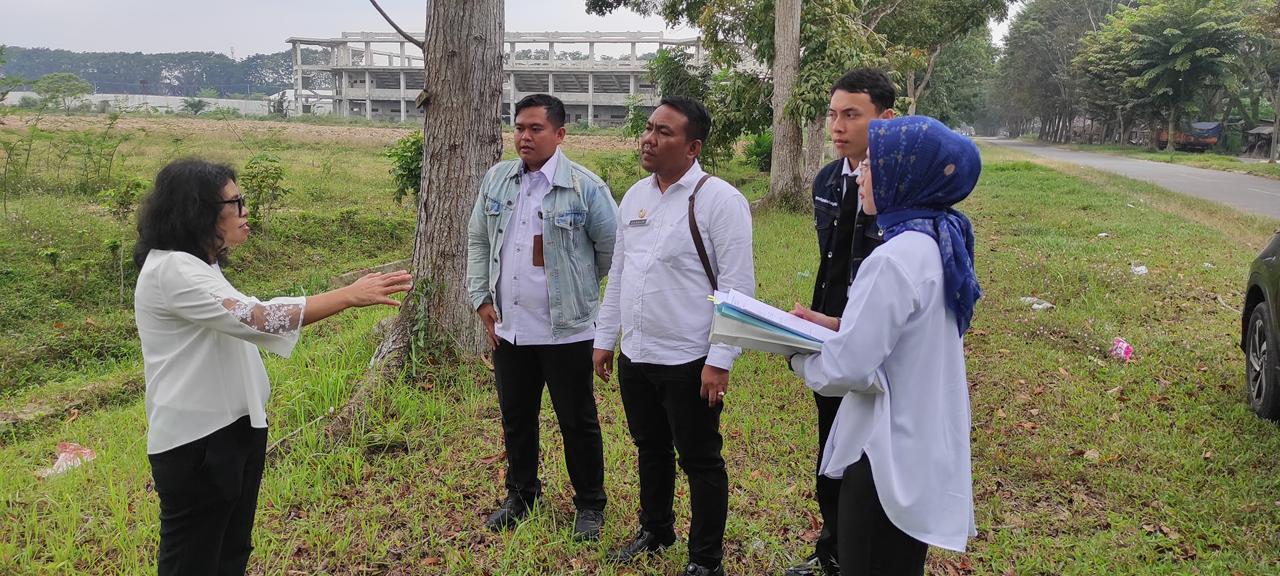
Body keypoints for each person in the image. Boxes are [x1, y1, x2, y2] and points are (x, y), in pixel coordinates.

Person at [134, 158, 411, 576]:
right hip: (197, 440)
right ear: (199, 210)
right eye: (236, 203)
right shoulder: (173, 270)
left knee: (230, 551)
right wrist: (349, 295)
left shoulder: (198, 265)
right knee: (192, 559)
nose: (246, 213)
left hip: (234, 427)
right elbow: (258, 317)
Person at [789, 115, 982, 575]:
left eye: (873, 165)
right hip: (920, 445)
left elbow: (848, 370)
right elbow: (903, 334)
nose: (859, 175)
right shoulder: (935, 242)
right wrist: (837, 324)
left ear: (906, 175)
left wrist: (796, 354)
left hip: (883, 455)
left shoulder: (892, 258)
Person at [593, 96, 755, 576]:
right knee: (650, 448)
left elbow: (738, 288)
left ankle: (705, 560)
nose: (649, 138)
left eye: (664, 132)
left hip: (689, 357)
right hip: (638, 352)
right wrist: (606, 339)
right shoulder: (635, 196)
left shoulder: (720, 200)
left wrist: (720, 358)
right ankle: (656, 529)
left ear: (692, 146)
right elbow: (620, 273)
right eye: (648, 128)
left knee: (701, 460)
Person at [465, 93, 618, 540]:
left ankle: (589, 505)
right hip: (509, 328)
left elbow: (609, 253)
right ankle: (521, 494)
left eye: (535, 129)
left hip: (566, 330)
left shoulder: (586, 187)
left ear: (560, 134)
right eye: (518, 128)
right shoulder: (497, 180)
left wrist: (578, 291)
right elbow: (478, 240)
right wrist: (481, 298)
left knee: (577, 421)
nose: (524, 137)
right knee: (517, 417)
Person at [784, 68, 897, 576]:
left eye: (852, 114)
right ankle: (830, 548)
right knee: (830, 441)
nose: (837, 126)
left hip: (873, 337)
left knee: (869, 453)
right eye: (832, 114)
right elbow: (832, 259)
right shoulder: (829, 181)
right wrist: (818, 325)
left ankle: (866, 551)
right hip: (825, 329)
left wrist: (849, 324)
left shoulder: (897, 186)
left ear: (885, 118)